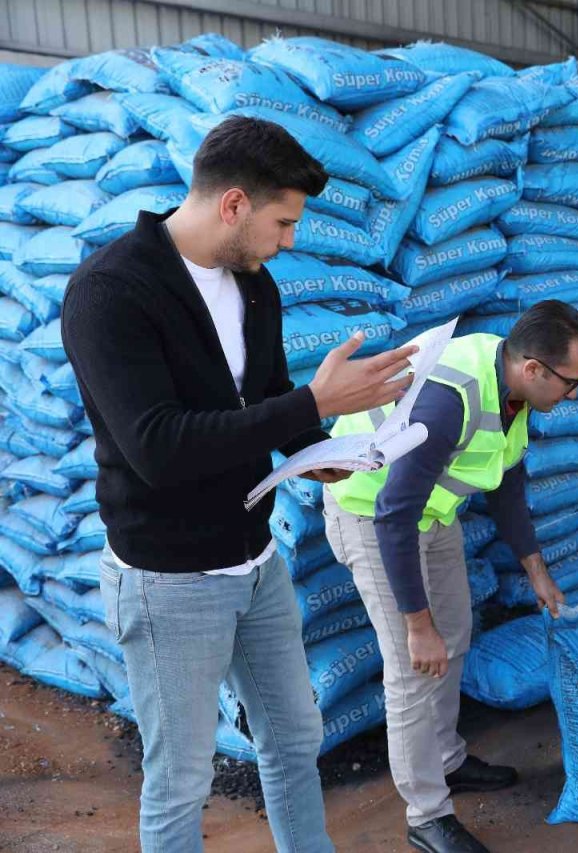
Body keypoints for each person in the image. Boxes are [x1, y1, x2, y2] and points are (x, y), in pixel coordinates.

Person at [61, 115, 420, 852]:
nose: (289, 240)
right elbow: (158, 447)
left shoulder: (254, 286)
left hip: (257, 563)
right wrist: (314, 405)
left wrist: (318, 448)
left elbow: (265, 396)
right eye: (282, 222)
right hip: (169, 580)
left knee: (294, 739)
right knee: (181, 779)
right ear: (233, 205)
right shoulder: (109, 292)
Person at [324, 299, 578, 853]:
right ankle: (427, 816)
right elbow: (393, 513)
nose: (576, 395)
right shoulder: (449, 400)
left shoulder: (514, 392)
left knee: (453, 637)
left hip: (431, 515)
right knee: (412, 665)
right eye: (571, 383)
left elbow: (507, 483)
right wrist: (415, 621)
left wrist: (536, 570)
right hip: (372, 514)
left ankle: (447, 760)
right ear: (533, 370)